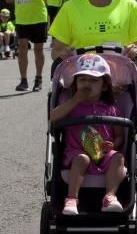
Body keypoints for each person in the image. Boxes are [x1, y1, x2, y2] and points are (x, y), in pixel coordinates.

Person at [48, 53, 126, 215]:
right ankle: (71, 199)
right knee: (82, 158)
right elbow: (53, 117)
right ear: (75, 83)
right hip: (77, 154)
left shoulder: (111, 109)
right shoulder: (71, 105)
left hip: (103, 154)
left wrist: (113, 145)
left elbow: (119, 135)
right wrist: (75, 100)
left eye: (93, 80)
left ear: (104, 86)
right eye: (82, 80)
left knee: (118, 157)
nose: (87, 84)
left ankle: (109, 197)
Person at [8, 0, 56, 91]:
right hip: (22, 18)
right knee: (22, 48)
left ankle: (39, 79)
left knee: (38, 49)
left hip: (38, 17)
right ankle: (23, 81)